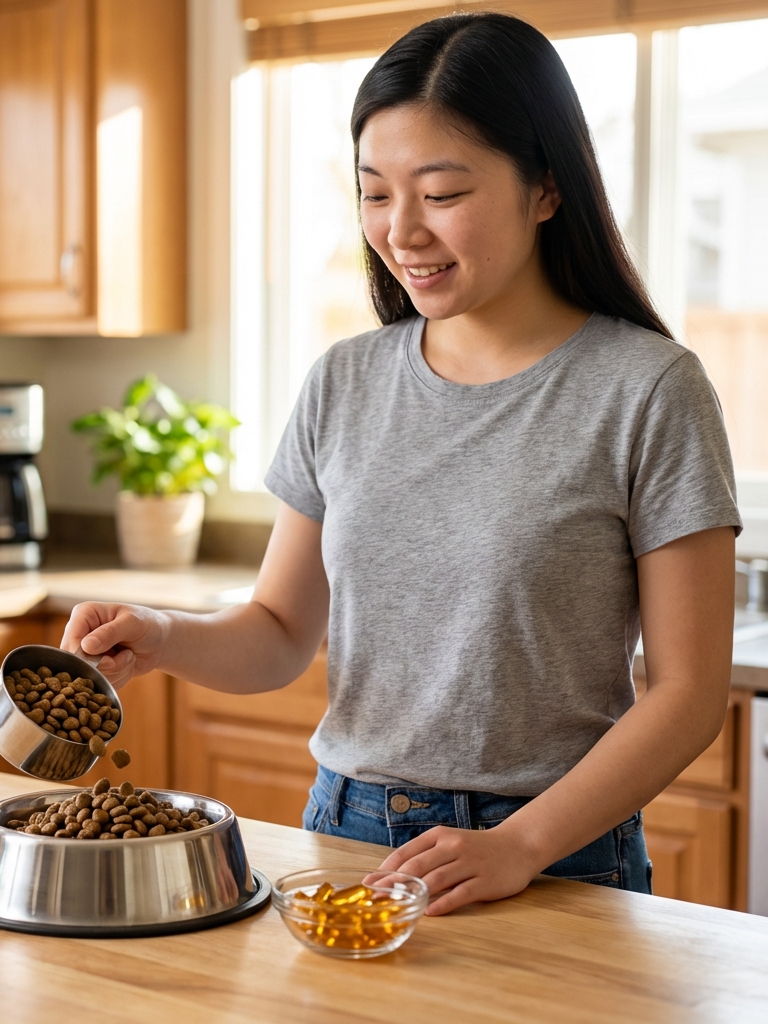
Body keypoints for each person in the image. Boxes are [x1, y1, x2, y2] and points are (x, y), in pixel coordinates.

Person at [61, 12, 740, 916]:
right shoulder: (345, 380)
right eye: (375, 193)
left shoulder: (648, 389)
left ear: (546, 187)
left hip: (555, 857)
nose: (402, 230)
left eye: (442, 192)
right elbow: (277, 629)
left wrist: (518, 845)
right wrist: (162, 636)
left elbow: (691, 694)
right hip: (348, 836)